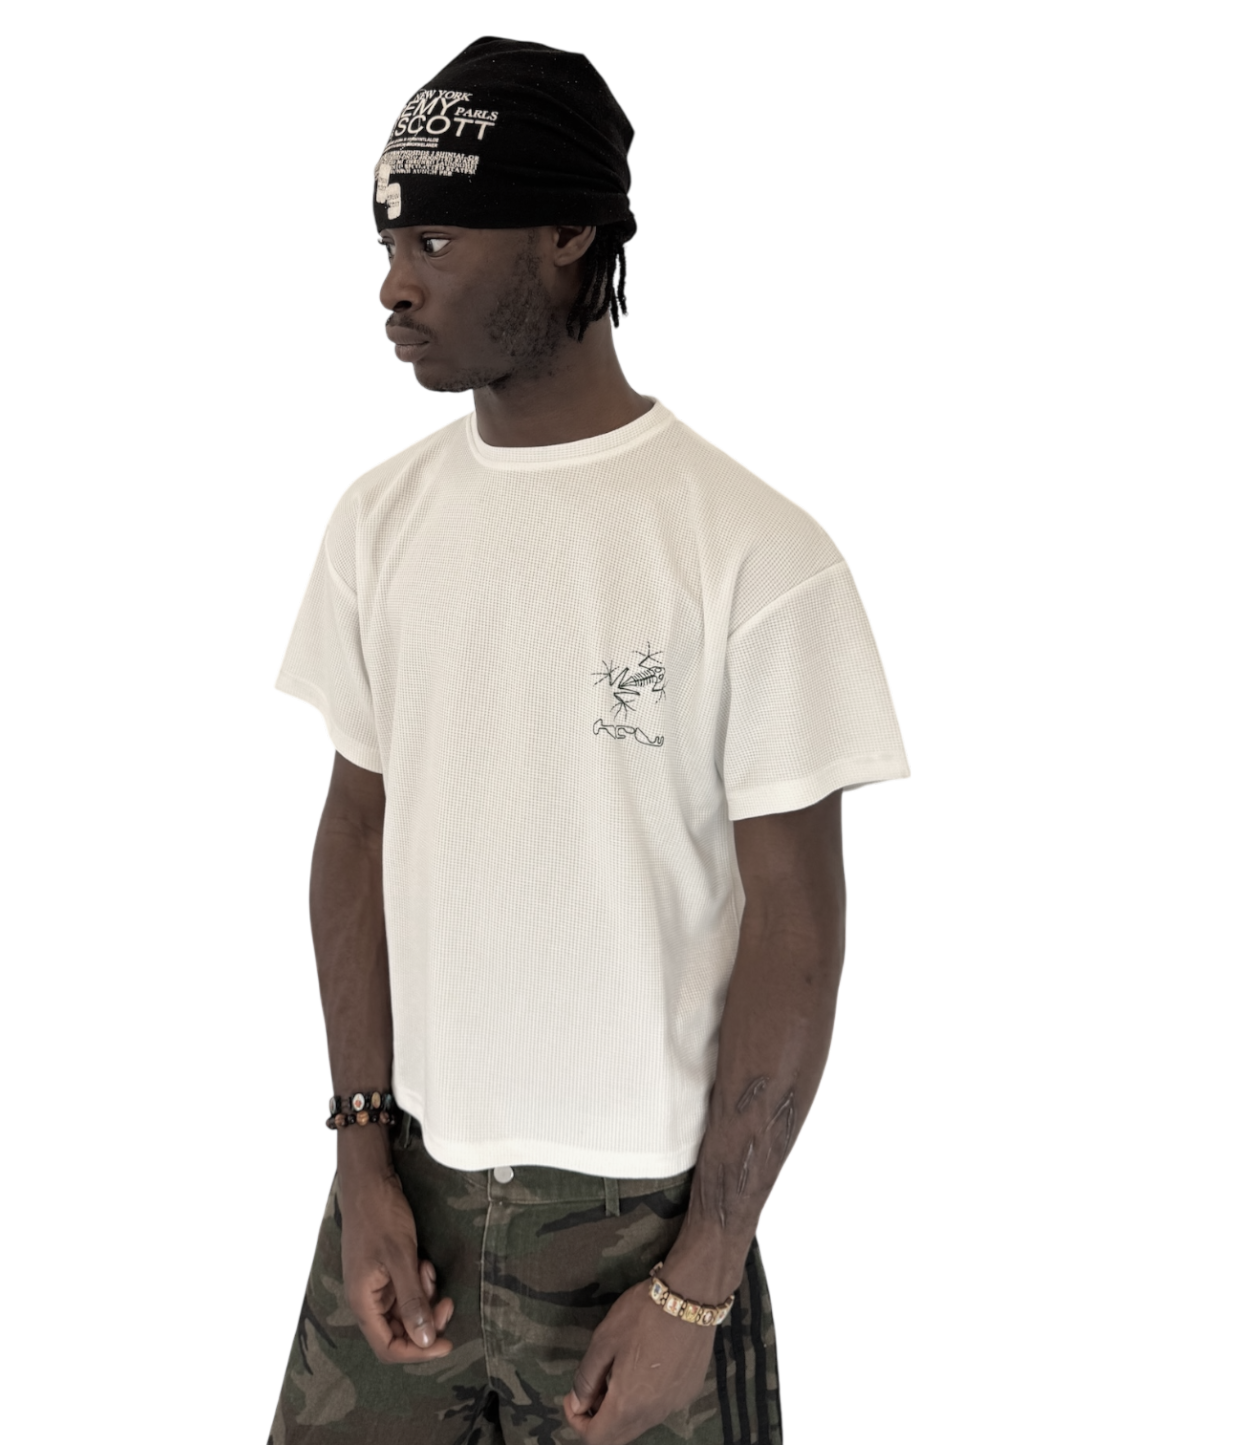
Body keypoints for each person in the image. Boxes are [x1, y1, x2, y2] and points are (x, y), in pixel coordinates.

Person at [269, 39, 910, 1445]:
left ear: (569, 234)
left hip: (644, 1224)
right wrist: (361, 1158)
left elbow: (800, 928)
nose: (394, 284)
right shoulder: (376, 520)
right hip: (404, 1198)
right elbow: (355, 831)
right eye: (390, 244)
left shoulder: (755, 550)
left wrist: (699, 1282)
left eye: (438, 240)